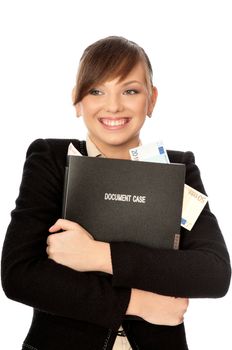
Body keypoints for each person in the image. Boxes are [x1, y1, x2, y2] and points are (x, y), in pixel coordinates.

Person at [1, 36, 231, 350]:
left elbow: (213, 273)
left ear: (151, 100)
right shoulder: (51, 160)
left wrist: (97, 255)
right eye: (97, 90)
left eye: (131, 90)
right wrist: (137, 303)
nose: (113, 105)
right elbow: (19, 275)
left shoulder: (178, 168)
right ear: (77, 101)